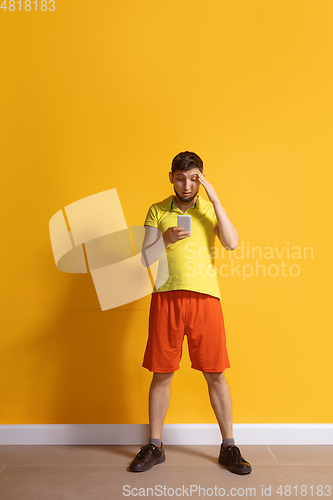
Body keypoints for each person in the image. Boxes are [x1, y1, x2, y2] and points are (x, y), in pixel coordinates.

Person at [130, 151, 252, 475]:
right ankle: (155, 445)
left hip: (205, 299)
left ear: (201, 178)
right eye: (181, 178)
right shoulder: (157, 210)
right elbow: (144, 258)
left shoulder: (210, 209)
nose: (187, 185)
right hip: (166, 298)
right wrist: (165, 240)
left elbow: (232, 242)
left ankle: (229, 446)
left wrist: (216, 198)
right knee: (161, 372)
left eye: (194, 178)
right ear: (171, 177)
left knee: (215, 374)